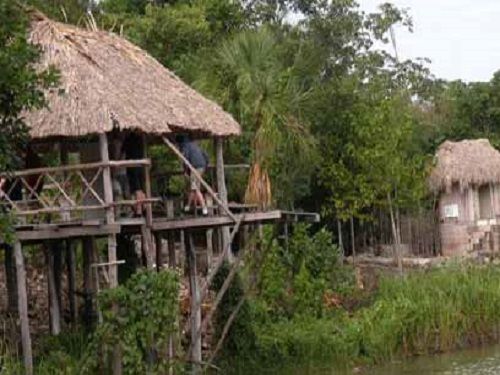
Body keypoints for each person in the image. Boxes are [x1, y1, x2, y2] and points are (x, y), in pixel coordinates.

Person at [176, 135, 209, 215]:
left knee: (195, 188)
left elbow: (185, 159)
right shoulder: (194, 145)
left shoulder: (185, 146)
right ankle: (187, 207)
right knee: (193, 187)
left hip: (195, 167)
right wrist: (206, 165)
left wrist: (185, 171)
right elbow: (205, 154)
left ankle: (204, 208)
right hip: (202, 166)